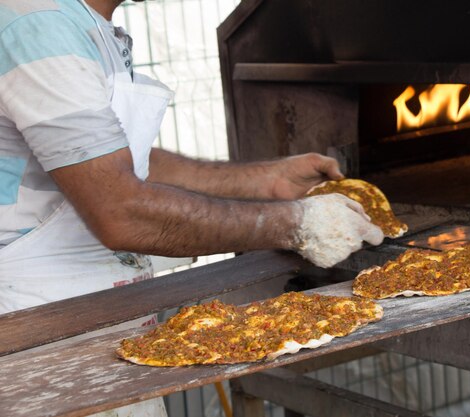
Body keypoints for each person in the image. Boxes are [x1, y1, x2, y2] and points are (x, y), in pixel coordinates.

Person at [0, 0, 384, 415]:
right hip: (39, 333)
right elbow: (121, 209)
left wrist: (264, 182)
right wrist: (300, 223)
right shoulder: (38, 26)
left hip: (97, 316)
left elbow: (114, 161)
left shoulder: (83, 24)